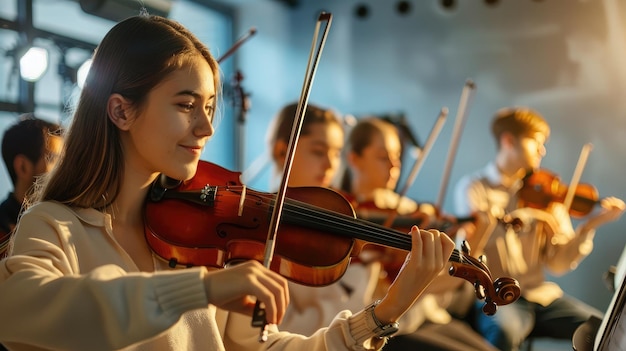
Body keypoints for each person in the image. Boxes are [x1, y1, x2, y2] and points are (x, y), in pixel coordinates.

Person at [0, 15, 455, 351]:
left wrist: (384, 313)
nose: (206, 128)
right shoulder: (55, 226)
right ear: (121, 110)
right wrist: (199, 289)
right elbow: (22, 309)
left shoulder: (199, 240)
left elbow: (263, 347)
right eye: (185, 104)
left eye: (210, 107)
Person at [453, 107, 625, 351]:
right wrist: (529, 215)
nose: (542, 150)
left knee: (604, 332)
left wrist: (589, 226)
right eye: (536, 142)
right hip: (495, 296)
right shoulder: (474, 188)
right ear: (509, 140)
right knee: (503, 333)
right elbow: (472, 244)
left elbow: (558, 264)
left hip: (539, 295)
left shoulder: (546, 193)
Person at [340, 117, 499, 351]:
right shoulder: (343, 212)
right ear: (354, 158)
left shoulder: (406, 210)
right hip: (387, 326)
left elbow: (441, 283)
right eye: (383, 157)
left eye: (397, 157)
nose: (394, 166)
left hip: (422, 314)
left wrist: (477, 237)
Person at [267, 102, 383, 336]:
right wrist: (367, 273)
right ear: (282, 151)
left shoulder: (339, 214)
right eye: (319, 152)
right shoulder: (266, 231)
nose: (331, 165)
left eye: (337, 153)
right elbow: (291, 330)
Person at [0, 115, 62, 258]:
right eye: (53, 159)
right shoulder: (4, 237)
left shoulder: (61, 222)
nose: (63, 171)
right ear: (23, 167)